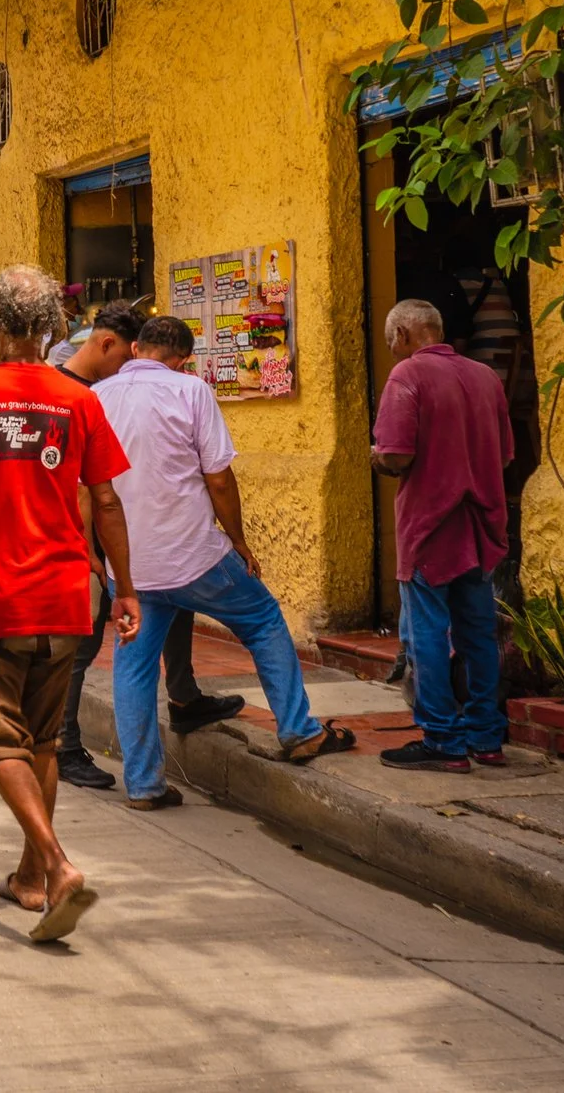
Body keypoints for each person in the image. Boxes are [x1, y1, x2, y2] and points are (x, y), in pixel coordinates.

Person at [0, 264, 137, 944]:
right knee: (42, 740)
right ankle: (30, 878)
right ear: (49, 329)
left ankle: (57, 865)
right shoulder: (79, 401)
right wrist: (126, 588)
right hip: (67, 597)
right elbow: (106, 500)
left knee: (1, 743)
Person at [105, 314, 355, 809]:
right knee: (263, 619)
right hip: (192, 556)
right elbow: (218, 478)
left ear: (135, 349)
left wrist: (98, 559)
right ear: (183, 359)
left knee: (133, 665)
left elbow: (86, 490)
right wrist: (238, 540)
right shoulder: (191, 391)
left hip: (131, 566)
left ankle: (143, 785)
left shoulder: (98, 397)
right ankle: (299, 730)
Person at [51, 304, 236, 791]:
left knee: (174, 606)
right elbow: (77, 485)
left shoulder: (113, 388)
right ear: (108, 344)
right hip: (88, 541)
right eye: (127, 359)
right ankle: (64, 745)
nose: (132, 370)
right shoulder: (68, 393)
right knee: (84, 643)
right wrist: (87, 549)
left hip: (136, 535)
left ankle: (184, 694)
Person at [373, 298, 515, 772]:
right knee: (478, 633)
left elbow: (396, 455)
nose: (392, 349)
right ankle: (486, 737)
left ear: (403, 334)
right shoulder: (486, 377)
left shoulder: (408, 375)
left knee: (427, 633)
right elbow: (505, 455)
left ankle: (443, 739)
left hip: (430, 525)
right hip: (481, 526)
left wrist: (376, 456)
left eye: (391, 340)